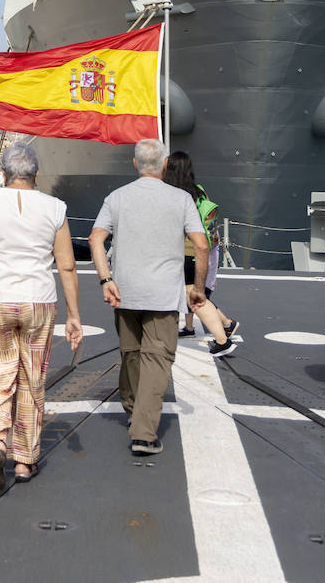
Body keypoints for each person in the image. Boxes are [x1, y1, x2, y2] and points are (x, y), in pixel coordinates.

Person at [0, 143, 81, 489]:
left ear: (3, 173)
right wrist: (74, 315)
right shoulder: (55, 208)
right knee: (32, 379)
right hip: (38, 303)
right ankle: (25, 461)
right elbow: (67, 265)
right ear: (36, 175)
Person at [90, 138, 208, 455]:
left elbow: (95, 238)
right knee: (156, 360)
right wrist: (197, 288)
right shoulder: (182, 199)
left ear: (135, 164)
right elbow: (201, 245)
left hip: (124, 291)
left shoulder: (116, 197)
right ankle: (143, 433)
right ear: (166, 165)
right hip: (163, 295)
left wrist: (105, 279)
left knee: (131, 354)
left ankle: (133, 409)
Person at [162, 151, 237, 355]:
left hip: (181, 253)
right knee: (191, 295)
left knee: (194, 298)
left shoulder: (170, 193)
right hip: (199, 253)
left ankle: (223, 339)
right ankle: (205, 328)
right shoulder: (199, 192)